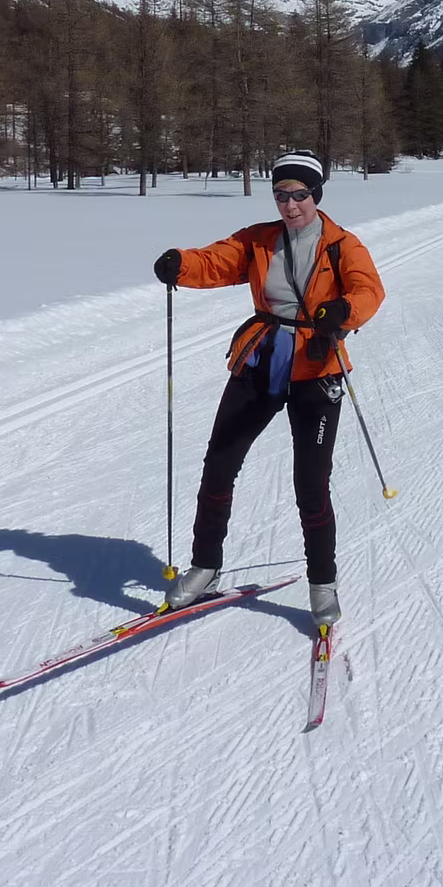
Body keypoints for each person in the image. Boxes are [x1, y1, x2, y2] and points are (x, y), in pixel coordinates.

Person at [151, 150, 384, 628]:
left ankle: (323, 584)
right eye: (281, 195)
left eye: (299, 195)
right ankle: (205, 567)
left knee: (310, 482)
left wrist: (343, 311)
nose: (290, 205)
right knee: (220, 461)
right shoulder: (259, 239)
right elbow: (216, 261)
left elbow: (368, 290)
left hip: (317, 365)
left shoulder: (342, 245)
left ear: (316, 195)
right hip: (263, 357)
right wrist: (181, 264)